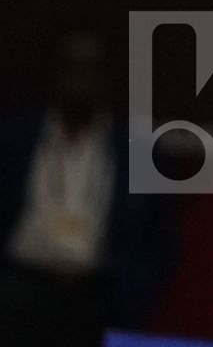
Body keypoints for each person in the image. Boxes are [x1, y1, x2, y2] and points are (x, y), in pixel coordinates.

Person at [0, 30, 179, 346]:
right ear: (53, 73)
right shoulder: (13, 139)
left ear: (108, 78)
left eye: (91, 68)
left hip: (96, 297)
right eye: (70, 66)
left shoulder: (138, 151)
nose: (79, 79)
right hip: (19, 288)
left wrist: (138, 287)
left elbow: (159, 234)